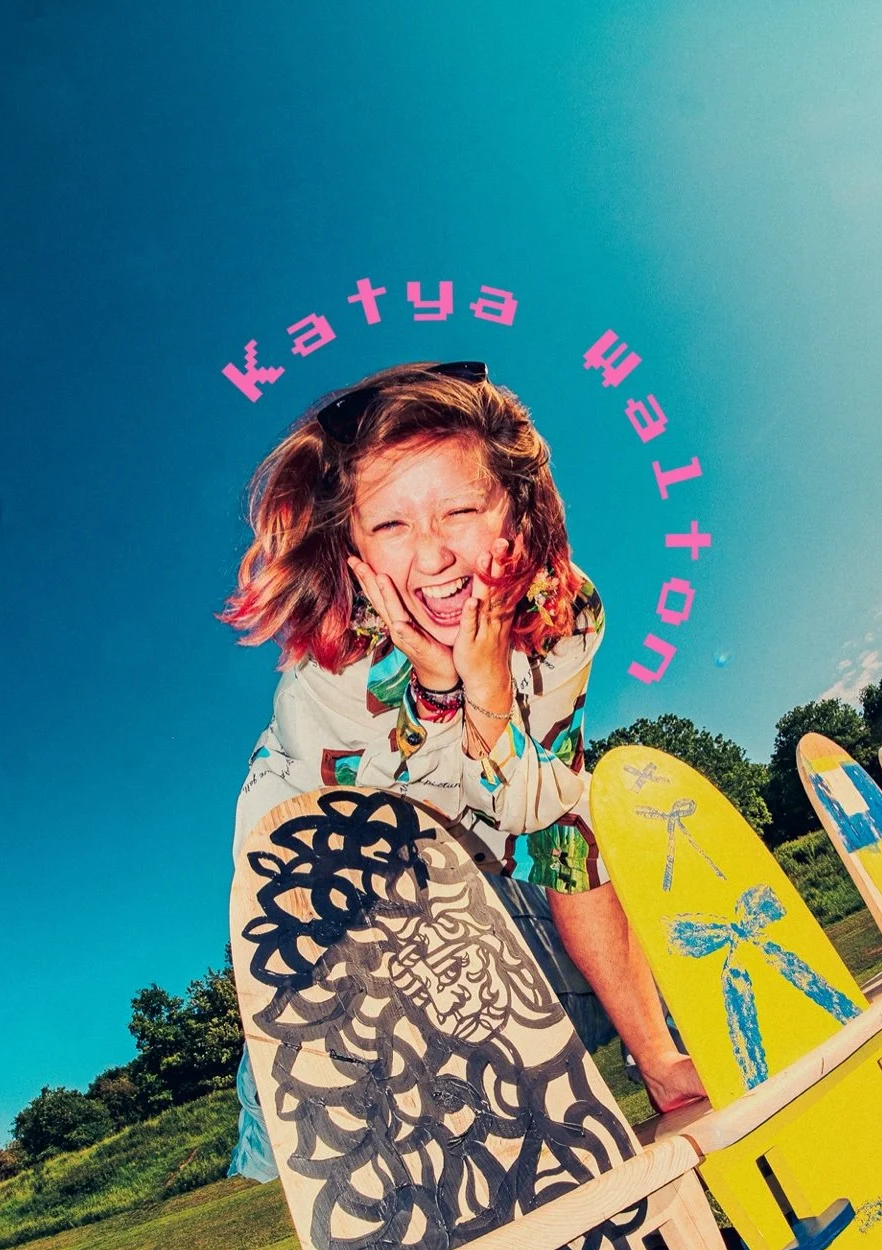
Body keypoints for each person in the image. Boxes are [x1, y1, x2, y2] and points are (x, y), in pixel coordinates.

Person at [223, 359, 703, 1176]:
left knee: (580, 837)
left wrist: (485, 688)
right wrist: (441, 693)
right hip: (333, 922)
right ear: (352, 548)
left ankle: (660, 1061)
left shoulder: (563, 611)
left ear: (515, 506)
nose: (436, 557)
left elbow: (545, 820)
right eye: (391, 526)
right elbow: (381, 846)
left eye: (460, 509)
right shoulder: (332, 665)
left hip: (478, 893)